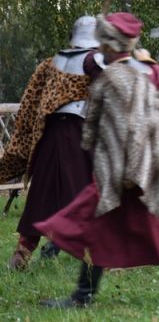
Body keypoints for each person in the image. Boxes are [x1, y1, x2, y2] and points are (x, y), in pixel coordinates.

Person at [35, 12, 159, 307]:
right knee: (156, 230)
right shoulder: (141, 72)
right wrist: (145, 57)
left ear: (108, 43)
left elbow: (127, 130)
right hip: (148, 171)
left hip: (128, 173)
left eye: (102, 41)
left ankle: (83, 297)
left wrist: (127, 177)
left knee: (103, 228)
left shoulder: (116, 81)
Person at [1, 16, 99, 270]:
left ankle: (23, 251)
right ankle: (93, 256)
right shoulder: (96, 63)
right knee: (85, 194)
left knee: (41, 195)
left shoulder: (50, 63)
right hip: (79, 135)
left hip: (49, 135)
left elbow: (28, 107)